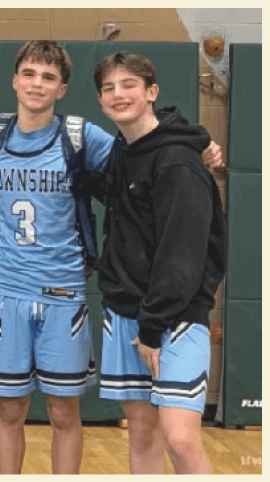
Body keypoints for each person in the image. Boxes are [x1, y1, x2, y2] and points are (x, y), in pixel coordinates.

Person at [0, 40, 222, 474]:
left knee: (67, 413)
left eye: (48, 77)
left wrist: (198, 144)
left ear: (63, 88)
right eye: (28, 74)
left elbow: (142, 147)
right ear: (13, 80)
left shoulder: (80, 136)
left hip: (64, 291)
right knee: (9, 411)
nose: (36, 84)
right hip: (6, 291)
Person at [93, 51, 225, 474]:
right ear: (99, 100)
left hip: (173, 318)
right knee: (142, 431)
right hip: (125, 310)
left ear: (151, 92)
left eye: (129, 85)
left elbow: (181, 254)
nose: (118, 94)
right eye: (109, 88)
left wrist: (152, 326)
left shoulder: (178, 162)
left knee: (181, 439)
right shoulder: (122, 149)